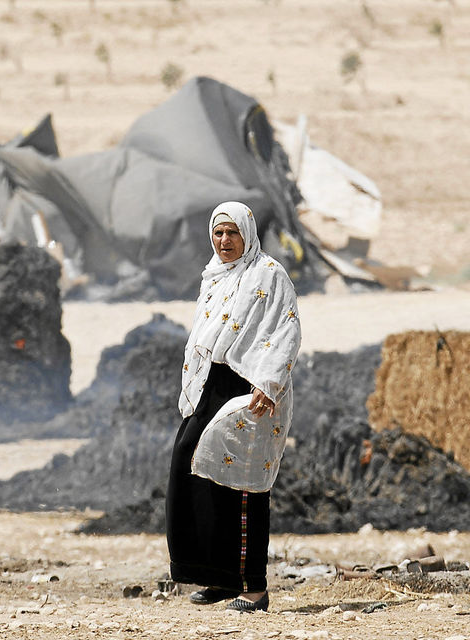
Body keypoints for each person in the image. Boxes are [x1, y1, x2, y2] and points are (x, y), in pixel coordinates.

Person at [166, 201, 301, 613]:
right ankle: (217, 577)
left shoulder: (270, 274)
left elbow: (287, 328)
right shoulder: (214, 277)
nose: (225, 241)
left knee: (242, 482)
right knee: (192, 466)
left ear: (248, 233)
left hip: (251, 386)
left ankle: (253, 587)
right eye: (219, 233)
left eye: (233, 233)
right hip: (214, 384)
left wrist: (270, 381)